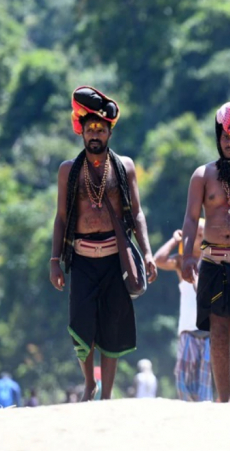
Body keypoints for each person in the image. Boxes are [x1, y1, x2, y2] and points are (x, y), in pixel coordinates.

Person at [49, 86, 157, 401]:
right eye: (90, 129)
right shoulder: (68, 171)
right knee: (81, 324)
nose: (95, 134)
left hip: (114, 258)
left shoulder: (124, 167)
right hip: (82, 258)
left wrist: (148, 254)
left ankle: (106, 394)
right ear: (81, 132)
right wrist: (55, 260)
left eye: (101, 128)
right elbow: (60, 218)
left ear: (110, 132)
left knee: (112, 325)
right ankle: (89, 383)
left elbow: (136, 214)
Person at [181, 102, 230, 403]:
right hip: (212, 262)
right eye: (226, 136)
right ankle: (224, 400)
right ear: (218, 136)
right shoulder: (202, 175)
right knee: (219, 330)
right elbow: (190, 218)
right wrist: (187, 255)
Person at [154, 220, 214, 402]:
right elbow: (158, 260)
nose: (200, 240)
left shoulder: (212, 261)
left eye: (203, 236)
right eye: (196, 236)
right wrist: (175, 240)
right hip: (188, 329)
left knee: (205, 384)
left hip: (209, 331)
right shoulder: (182, 263)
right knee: (183, 382)